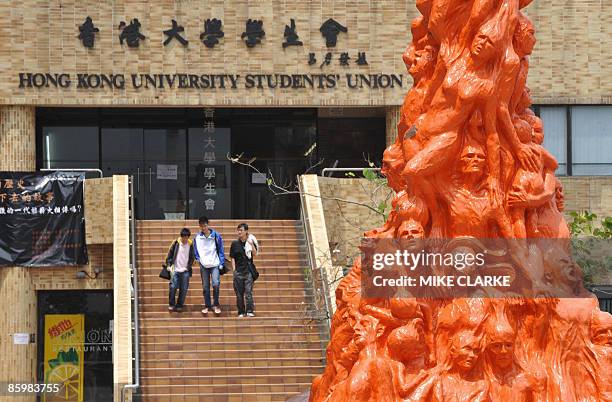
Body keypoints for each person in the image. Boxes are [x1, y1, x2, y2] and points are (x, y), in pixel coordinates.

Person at [194, 216, 225, 315]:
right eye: (201, 226)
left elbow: (220, 250)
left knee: (216, 284)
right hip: (204, 265)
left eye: (205, 225)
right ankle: (207, 305)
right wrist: (198, 259)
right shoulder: (197, 237)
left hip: (215, 264)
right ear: (199, 226)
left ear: (208, 224)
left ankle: (216, 304)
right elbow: (195, 250)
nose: (203, 228)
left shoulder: (216, 235)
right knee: (205, 287)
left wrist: (221, 263)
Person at [229, 223, 258, 317]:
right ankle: (241, 311)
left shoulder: (250, 242)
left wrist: (251, 244)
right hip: (238, 271)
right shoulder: (234, 244)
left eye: (241, 230)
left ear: (246, 231)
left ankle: (249, 311)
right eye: (238, 230)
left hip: (248, 271)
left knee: (249, 292)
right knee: (239, 294)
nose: (239, 232)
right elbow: (232, 257)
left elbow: (255, 253)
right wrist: (234, 270)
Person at [165, 228, 195, 312]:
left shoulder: (190, 245)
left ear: (188, 237)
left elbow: (192, 258)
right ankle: (171, 304)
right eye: (183, 237)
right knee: (173, 287)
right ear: (181, 236)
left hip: (185, 270)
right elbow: (169, 254)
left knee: (184, 288)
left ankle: (179, 305)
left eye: (186, 238)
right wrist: (168, 265)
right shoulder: (176, 243)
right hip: (175, 269)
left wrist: (188, 267)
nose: (185, 239)